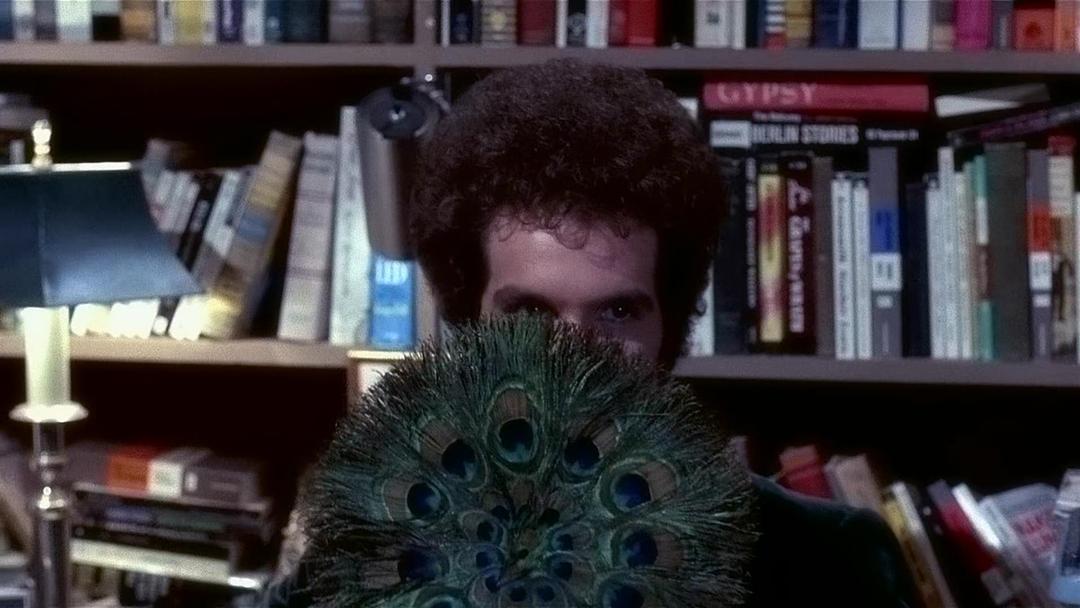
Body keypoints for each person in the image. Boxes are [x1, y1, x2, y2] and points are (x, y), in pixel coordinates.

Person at [263, 59, 919, 608]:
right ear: (472, 322)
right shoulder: (362, 559)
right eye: (529, 314)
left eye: (617, 313)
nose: (572, 359)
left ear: (668, 326)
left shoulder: (833, 562)